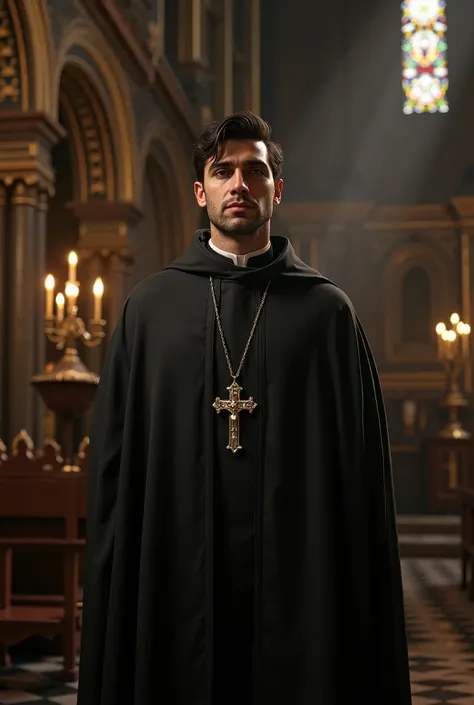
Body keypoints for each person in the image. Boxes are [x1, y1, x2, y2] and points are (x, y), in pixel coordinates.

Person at [77, 111, 412, 705]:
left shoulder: (326, 315)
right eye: (223, 171)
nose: (239, 185)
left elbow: (361, 482)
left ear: (276, 192)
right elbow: (115, 474)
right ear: (200, 191)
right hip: (175, 576)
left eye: (255, 172)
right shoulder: (151, 311)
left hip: (298, 584)